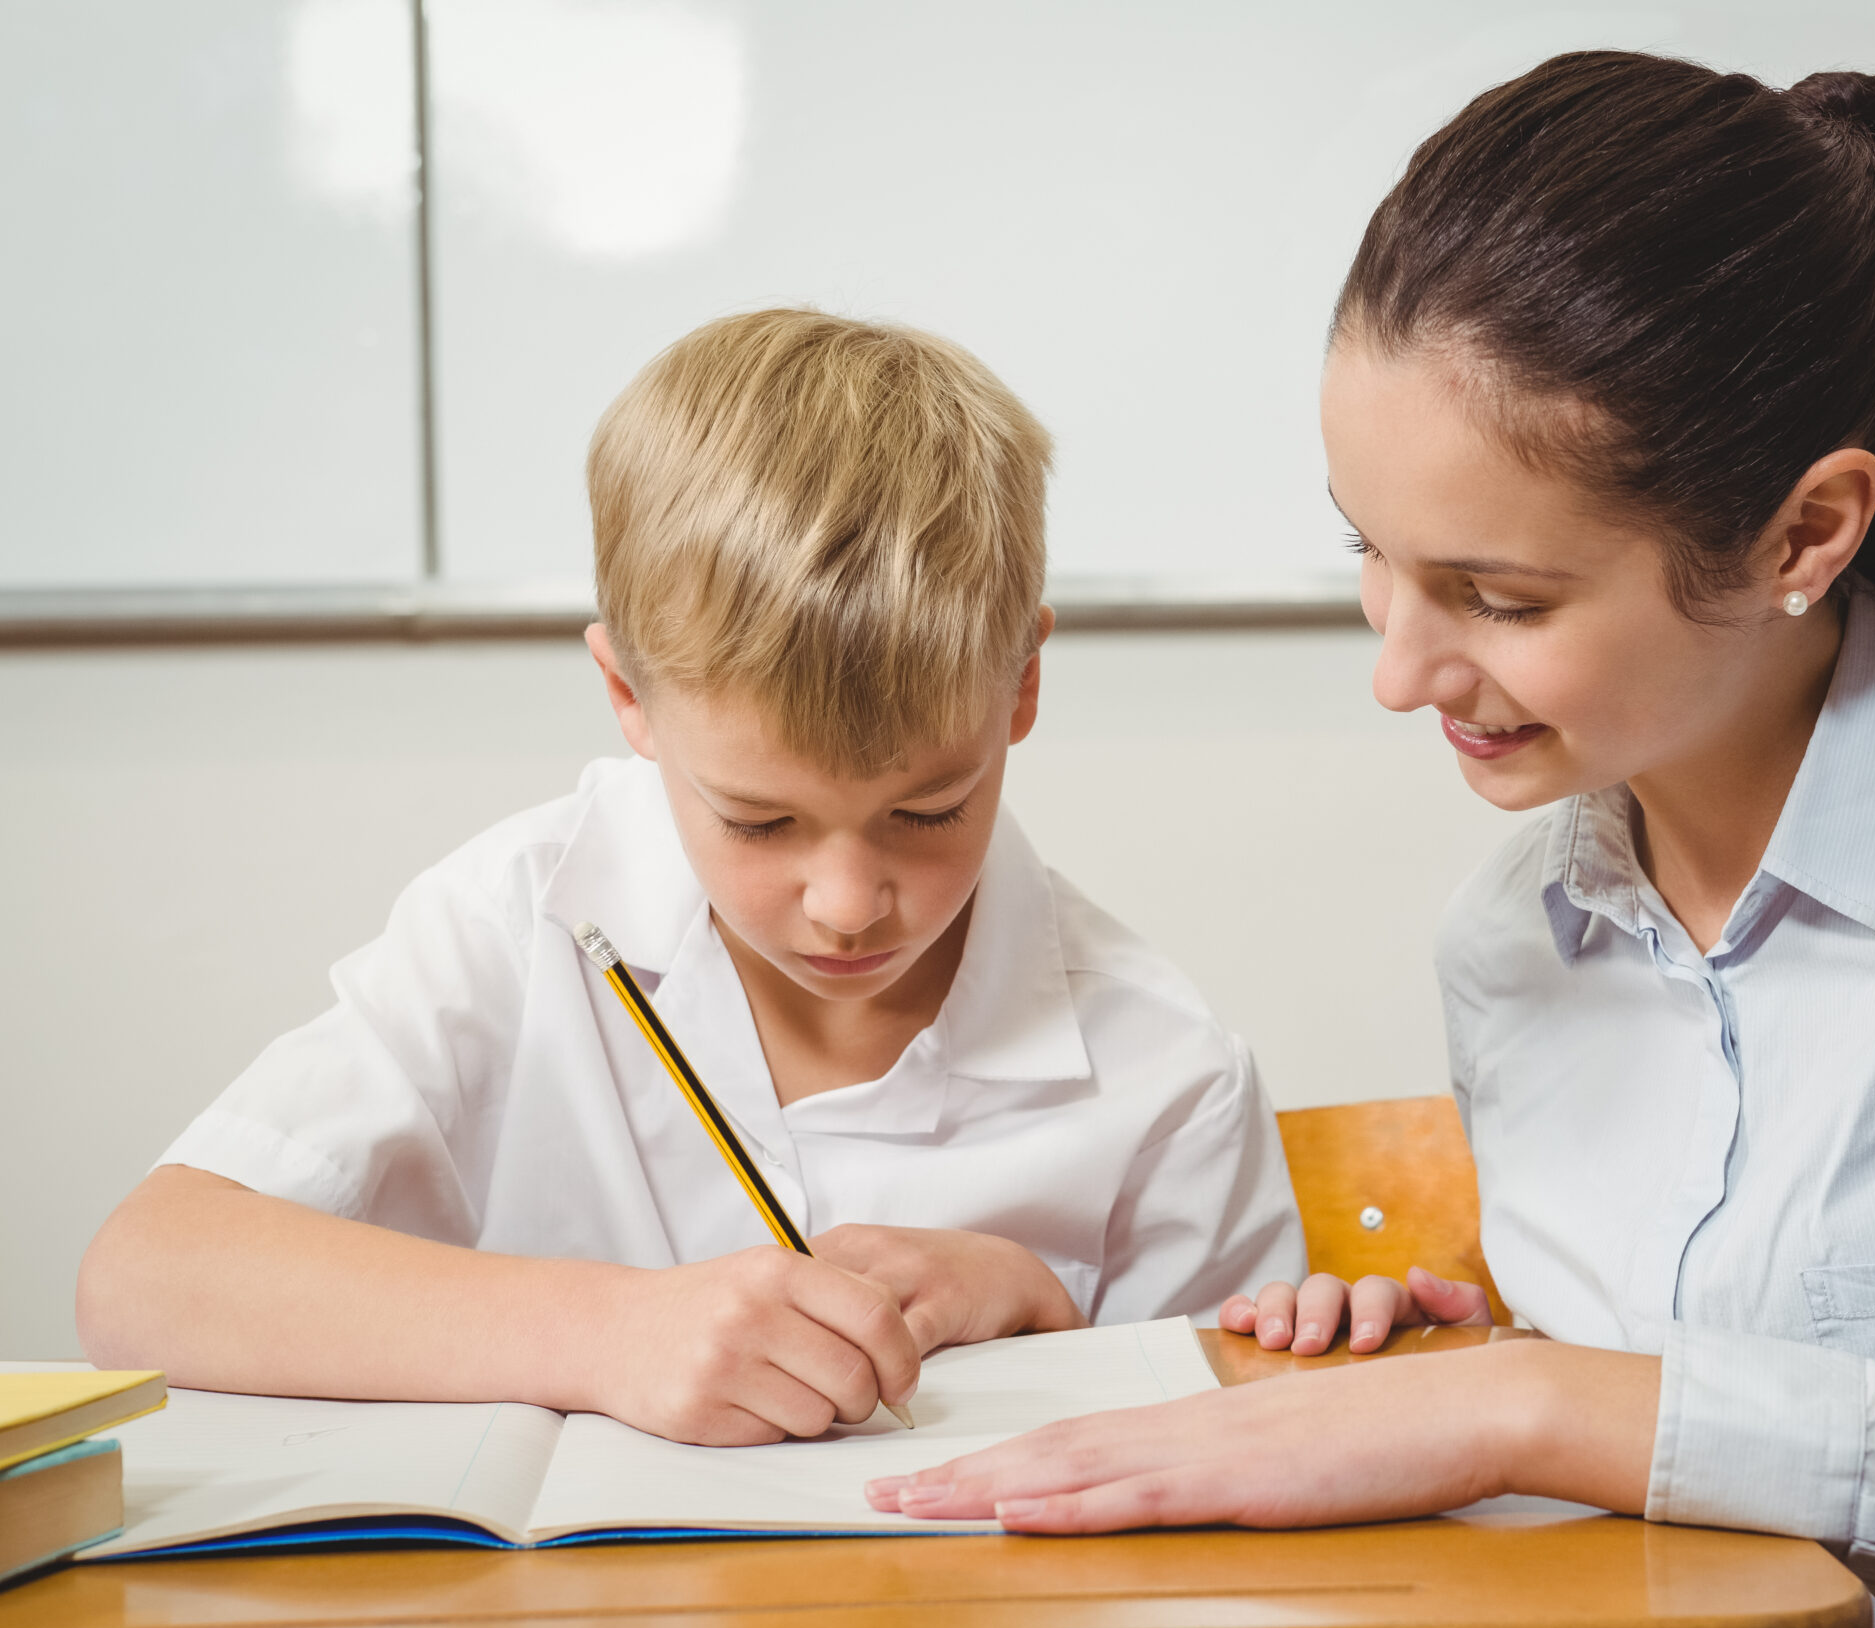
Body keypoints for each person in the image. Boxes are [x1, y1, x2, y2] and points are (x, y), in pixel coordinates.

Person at [863, 53, 1875, 1628]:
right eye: (1372, 558)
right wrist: (1460, 1372)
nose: (1400, 670)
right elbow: (1653, 1520)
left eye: (1496, 592)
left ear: (1803, 534)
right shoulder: (1516, 935)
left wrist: (1551, 1409)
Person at [77, 310, 1304, 1446]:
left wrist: (1051, 1327)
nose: (845, 902)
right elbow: (142, 1279)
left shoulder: (1167, 1075)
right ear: (629, 699)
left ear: (1022, 687)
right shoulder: (520, 919)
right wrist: (602, 1331)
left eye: (926, 810)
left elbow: (1234, 1468)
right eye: (761, 821)